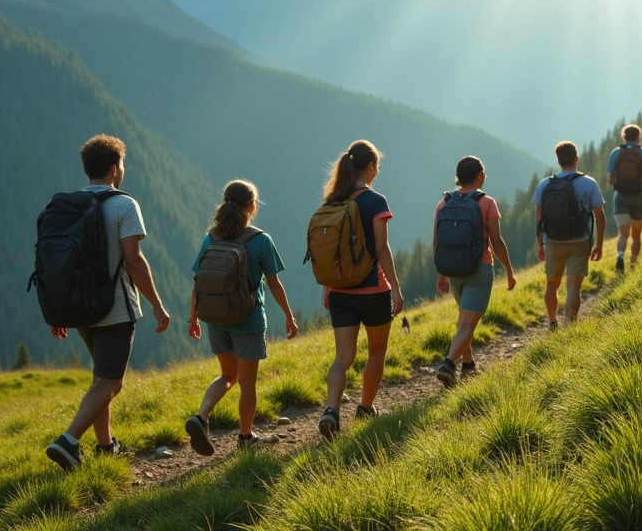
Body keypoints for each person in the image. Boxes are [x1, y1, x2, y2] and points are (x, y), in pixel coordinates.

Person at [46, 135, 172, 471]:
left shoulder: (68, 206)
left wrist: (59, 309)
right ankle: (68, 442)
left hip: (80, 308)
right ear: (115, 169)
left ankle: (106, 446)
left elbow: (57, 263)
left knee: (101, 377)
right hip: (114, 308)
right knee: (111, 382)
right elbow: (134, 261)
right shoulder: (123, 205)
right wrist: (158, 304)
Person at [184, 180, 299, 455]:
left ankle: (201, 417)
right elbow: (274, 284)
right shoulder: (260, 240)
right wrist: (289, 317)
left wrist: (193, 318)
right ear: (252, 207)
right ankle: (245, 437)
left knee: (227, 375)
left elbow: (199, 281)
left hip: (216, 319)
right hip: (247, 321)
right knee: (247, 383)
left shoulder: (211, 238)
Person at [317, 140, 404, 440]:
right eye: (377, 166)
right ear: (370, 166)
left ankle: (331, 410)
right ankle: (366, 408)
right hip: (373, 291)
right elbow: (382, 249)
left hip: (341, 292)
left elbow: (331, 253)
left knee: (342, 357)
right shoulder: (375, 201)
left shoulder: (332, 201)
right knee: (377, 351)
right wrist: (394, 287)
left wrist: (329, 287)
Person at [432, 157, 517, 388]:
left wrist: (441, 274)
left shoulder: (444, 203)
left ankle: (468, 366)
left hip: (452, 271)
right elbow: (497, 241)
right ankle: (449, 364)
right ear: (480, 176)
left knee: (464, 321)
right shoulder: (487, 202)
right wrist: (509, 270)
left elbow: (437, 242)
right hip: (478, 269)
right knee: (467, 325)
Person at [533, 141, 606, 330]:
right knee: (574, 286)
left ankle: (552, 323)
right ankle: (570, 327)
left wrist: (541, 243)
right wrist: (599, 245)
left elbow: (539, 217)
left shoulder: (544, 185)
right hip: (580, 240)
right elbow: (600, 216)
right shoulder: (589, 183)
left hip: (554, 241)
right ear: (576, 159)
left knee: (552, 284)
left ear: (558, 160)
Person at [606, 124, 642, 272]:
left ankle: (620, 255)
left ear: (624, 137)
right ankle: (633, 263)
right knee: (636, 235)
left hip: (621, 197)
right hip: (640, 197)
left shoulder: (616, 153)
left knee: (623, 234)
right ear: (639, 137)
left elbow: (611, 180)